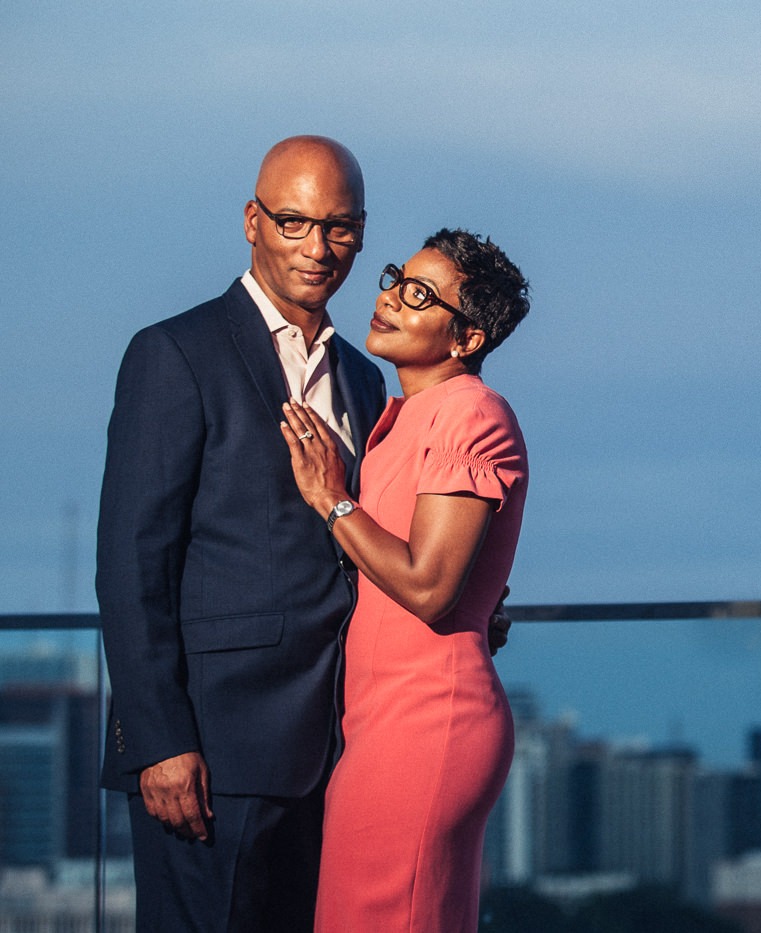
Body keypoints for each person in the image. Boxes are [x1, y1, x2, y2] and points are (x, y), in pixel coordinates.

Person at [96, 136, 506, 931]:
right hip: (214, 755)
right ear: (253, 221)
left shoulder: (364, 376)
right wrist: (158, 741)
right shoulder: (175, 354)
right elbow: (130, 562)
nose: (318, 249)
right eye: (294, 223)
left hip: (337, 753)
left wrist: (473, 595)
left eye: (341, 228)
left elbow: (376, 541)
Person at [278, 228, 530, 933]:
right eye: (396, 278)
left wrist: (332, 499)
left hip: (427, 723)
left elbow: (429, 587)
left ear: (467, 336)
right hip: (384, 723)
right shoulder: (400, 420)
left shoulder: (471, 413)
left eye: (419, 295)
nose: (388, 296)